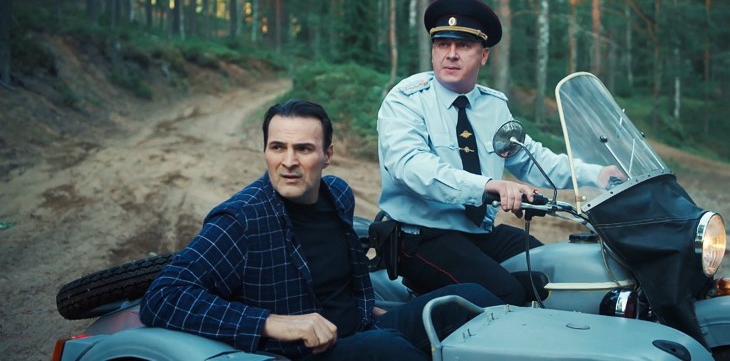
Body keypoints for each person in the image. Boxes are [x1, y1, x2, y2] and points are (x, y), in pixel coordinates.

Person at [139, 98, 501, 360]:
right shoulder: (241, 220)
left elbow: (340, 279)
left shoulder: (337, 195)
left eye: (304, 149)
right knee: (387, 349)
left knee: (473, 298)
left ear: (327, 154)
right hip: (303, 353)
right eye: (277, 147)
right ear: (265, 151)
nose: (289, 162)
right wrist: (274, 323)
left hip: (362, 330)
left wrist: (367, 308)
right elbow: (164, 296)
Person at [376, 0, 623, 306]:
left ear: (483, 55)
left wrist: (596, 174)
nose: (451, 55)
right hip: (420, 236)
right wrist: (488, 186)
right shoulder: (407, 99)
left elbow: (531, 158)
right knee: (506, 294)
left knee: (556, 269)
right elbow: (410, 167)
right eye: (442, 44)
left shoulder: (492, 106)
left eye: (463, 46)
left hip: (478, 233)